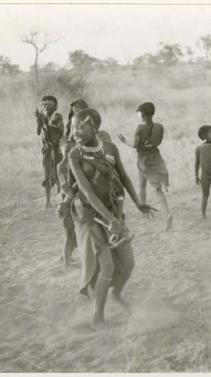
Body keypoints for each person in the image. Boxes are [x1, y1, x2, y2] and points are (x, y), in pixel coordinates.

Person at [68, 108, 155, 327]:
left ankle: (116, 294)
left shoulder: (110, 148)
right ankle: (98, 316)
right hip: (91, 215)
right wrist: (110, 221)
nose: (74, 131)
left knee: (127, 263)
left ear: (93, 127)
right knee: (106, 266)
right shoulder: (74, 154)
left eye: (80, 126)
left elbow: (123, 176)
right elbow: (86, 192)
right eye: (73, 126)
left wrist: (138, 202)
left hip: (114, 211)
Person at [117, 102, 173, 231]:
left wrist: (123, 140)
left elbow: (135, 145)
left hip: (142, 160)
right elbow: (158, 142)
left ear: (142, 115)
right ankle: (165, 212)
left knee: (143, 185)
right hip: (154, 157)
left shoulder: (140, 128)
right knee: (154, 188)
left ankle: (147, 211)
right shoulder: (159, 127)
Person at [55, 99, 89, 268]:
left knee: (75, 233)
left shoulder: (74, 161)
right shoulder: (62, 166)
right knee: (70, 233)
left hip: (73, 199)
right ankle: (67, 261)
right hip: (67, 201)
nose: (68, 151)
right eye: (65, 150)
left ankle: (66, 257)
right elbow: (64, 186)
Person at [35, 95, 64, 208]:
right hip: (46, 149)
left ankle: (59, 200)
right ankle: (48, 202)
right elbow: (38, 132)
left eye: (49, 104)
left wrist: (46, 124)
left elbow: (61, 131)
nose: (46, 106)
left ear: (55, 105)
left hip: (57, 149)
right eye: (44, 104)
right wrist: (39, 121)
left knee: (58, 174)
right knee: (46, 174)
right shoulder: (42, 116)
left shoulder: (57, 116)